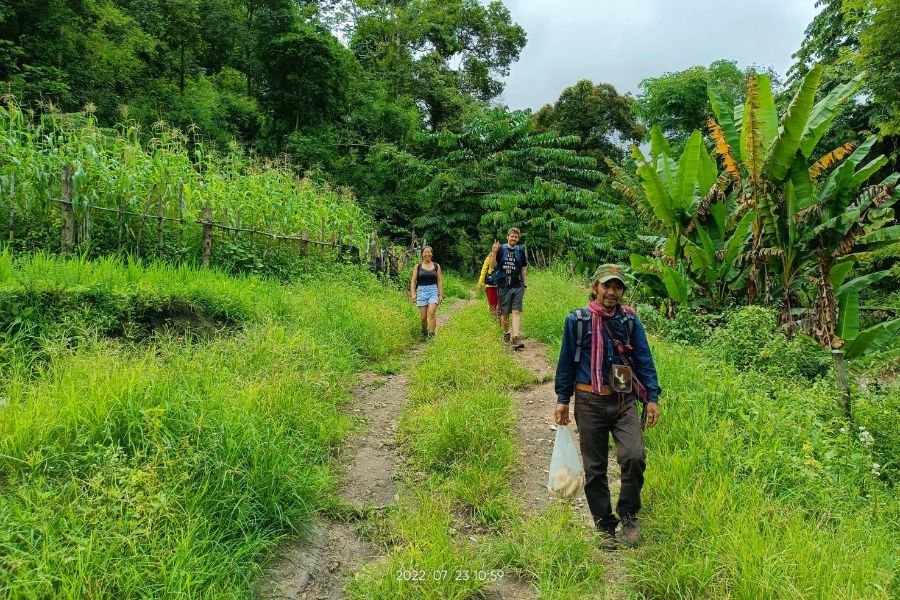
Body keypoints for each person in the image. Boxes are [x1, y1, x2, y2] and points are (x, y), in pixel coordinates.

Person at [553, 264, 661, 550]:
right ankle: (604, 525)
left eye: (617, 287)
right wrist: (562, 400)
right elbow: (565, 364)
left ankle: (628, 513)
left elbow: (644, 359)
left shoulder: (629, 320)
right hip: (588, 401)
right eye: (606, 286)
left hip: (623, 400)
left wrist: (652, 398)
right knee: (595, 467)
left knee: (634, 456)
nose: (612, 292)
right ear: (595, 288)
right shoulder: (577, 320)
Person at [489, 228, 527, 350]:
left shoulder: (520, 252)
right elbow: (492, 266)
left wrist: (525, 285)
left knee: (516, 312)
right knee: (505, 314)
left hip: (518, 285)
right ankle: (506, 333)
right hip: (503, 285)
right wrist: (494, 252)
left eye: (516, 237)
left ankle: (516, 337)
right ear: (507, 237)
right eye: (512, 236)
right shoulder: (500, 250)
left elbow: (523, 269)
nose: (514, 239)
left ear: (518, 238)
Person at [409, 246, 443, 339]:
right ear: (422, 254)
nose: (427, 254)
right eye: (425, 252)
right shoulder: (418, 266)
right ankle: (424, 331)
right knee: (423, 318)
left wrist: (440, 294)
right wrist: (413, 294)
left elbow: (439, 281)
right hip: (421, 291)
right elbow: (413, 281)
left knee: (432, 312)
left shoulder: (436, 266)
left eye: (429, 252)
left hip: (433, 290)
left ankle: (432, 335)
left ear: (431, 254)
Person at [477, 250, 500, 320]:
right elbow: (483, 271)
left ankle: (500, 322)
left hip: (501, 286)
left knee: (500, 306)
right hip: (490, 286)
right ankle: (493, 322)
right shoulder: (489, 258)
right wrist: (480, 283)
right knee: (492, 305)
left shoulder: (502, 258)